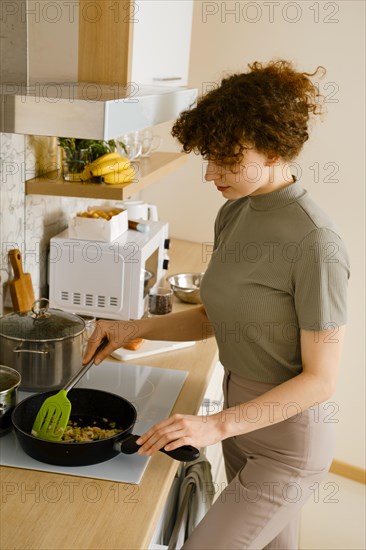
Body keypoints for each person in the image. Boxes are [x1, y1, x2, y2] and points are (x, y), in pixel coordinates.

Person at [83, 59, 350, 549]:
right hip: (239, 424)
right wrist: (129, 328)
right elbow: (213, 318)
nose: (210, 173)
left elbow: (321, 380)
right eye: (209, 156)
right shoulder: (235, 212)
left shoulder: (316, 243)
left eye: (226, 158)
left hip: (287, 443)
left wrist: (215, 424)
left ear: (273, 147)